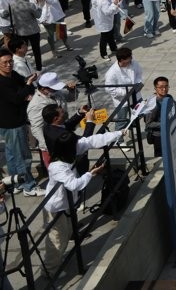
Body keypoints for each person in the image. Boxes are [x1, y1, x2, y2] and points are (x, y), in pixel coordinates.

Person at [41, 132, 107, 273]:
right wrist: (91, 173)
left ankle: (54, 263)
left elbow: (92, 140)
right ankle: (49, 271)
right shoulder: (57, 167)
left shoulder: (65, 155)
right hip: (55, 209)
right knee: (56, 241)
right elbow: (74, 185)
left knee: (66, 235)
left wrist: (119, 133)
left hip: (65, 205)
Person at [0, 47, 43, 195]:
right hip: (12, 123)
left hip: (12, 121)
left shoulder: (13, 75)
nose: (9, 65)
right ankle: (28, 186)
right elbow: (18, 97)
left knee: (12, 154)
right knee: (23, 156)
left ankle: (16, 183)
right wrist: (27, 86)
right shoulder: (1, 82)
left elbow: (24, 87)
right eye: (5, 62)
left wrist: (26, 88)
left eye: (10, 61)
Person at [104, 47, 144, 125]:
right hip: (122, 100)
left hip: (136, 95)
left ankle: (130, 126)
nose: (131, 59)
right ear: (122, 60)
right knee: (121, 122)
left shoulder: (134, 63)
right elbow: (108, 89)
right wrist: (125, 92)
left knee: (142, 112)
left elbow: (139, 74)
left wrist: (138, 83)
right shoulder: (111, 73)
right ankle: (119, 135)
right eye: (129, 58)